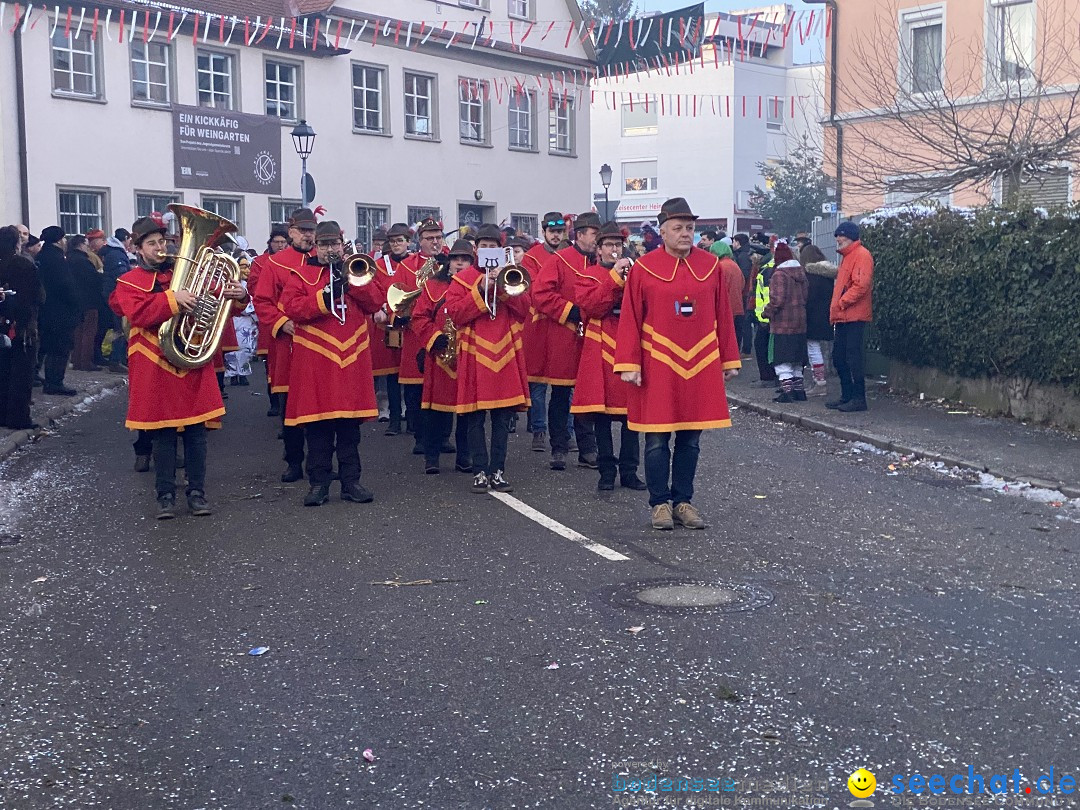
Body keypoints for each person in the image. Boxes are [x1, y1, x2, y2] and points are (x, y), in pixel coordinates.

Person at [614, 197, 741, 531]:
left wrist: (729, 358)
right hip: (657, 362)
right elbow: (630, 318)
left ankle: (683, 500)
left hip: (699, 362)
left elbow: (723, 316)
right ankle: (659, 504)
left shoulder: (711, 266)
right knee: (656, 439)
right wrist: (629, 362)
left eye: (689, 228)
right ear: (663, 230)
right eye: (678, 228)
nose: (685, 234)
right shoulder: (643, 268)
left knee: (691, 439)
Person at [112, 216, 248, 519]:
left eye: (162, 242)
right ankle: (165, 495)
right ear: (138, 249)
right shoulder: (128, 281)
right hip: (153, 362)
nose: (160, 248)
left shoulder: (187, 272)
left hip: (190, 360)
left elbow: (218, 299)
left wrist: (239, 296)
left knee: (197, 433)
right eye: (152, 244)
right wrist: (173, 300)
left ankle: (197, 492)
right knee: (163, 434)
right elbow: (139, 313)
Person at [280, 221, 384, 506]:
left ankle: (351, 482)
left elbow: (376, 302)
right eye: (324, 245)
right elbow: (292, 308)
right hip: (316, 361)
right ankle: (318, 484)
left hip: (350, 358)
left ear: (342, 244)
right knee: (318, 429)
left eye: (334, 244)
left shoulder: (355, 270)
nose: (330, 249)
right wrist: (325, 296)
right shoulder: (301, 274)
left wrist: (350, 282)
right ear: (317, 247)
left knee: (350, 430)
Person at [444, 224, 530, 494]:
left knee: (503, 418)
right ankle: (480, 470)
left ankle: (499, 470)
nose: (488, 251)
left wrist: (501, 286)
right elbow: (456, 314)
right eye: (484, 246)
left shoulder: (510, 275)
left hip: (504, 352)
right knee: (475, 418)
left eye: (493, 246)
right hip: (474, 352)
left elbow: (524, 310)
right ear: (476, 249)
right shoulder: (461, 280)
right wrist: (481, 288)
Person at [571, 222, 646, 492]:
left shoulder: (636, 273)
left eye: (618, 245)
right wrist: (614, 278)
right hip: (600, 344)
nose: (614, 250)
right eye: (609, 245)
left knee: (631, 416)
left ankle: (629, 471)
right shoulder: (588, 275)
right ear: (599, 249)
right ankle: (606, 471)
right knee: (601, 417)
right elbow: (591, 307)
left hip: (629, 342)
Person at [532, 211, 601, 471]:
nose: (598, 240)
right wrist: (568, 311)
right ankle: (558, 447)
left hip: (594, 337)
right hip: (565, 335)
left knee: (589, 395)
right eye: (594, 234)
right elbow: (540, 293)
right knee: (561, 394)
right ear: (580, 235)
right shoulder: (560, 260)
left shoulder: (602, 260)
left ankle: (588, 449)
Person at [254, 208, 314, 482]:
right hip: (287, 344)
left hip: (318, 344)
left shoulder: (322, 259)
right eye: (303, 231)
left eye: (311, 230)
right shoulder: (275, 263)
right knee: (289, 405)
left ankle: (319, 461)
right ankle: (293, 461)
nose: (308, 235)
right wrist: (280, 323)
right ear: (291, 233)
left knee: (318, 406)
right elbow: (262, 301)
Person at [411, 238, 472, 475]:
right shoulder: (432, 286)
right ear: (448, 262)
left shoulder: (478, 286)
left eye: (465, 259)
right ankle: (431, 457)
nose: (459, 263)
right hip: (439, 356)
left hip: (467, 354)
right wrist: (433, 337)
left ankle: (464, 456)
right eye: (456, 259)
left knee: (467, 413)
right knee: (434, 412)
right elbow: (419, 317)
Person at [397, 218, 446, 455]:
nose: (435, 242)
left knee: (445, 384)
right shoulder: (407, 265)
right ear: (420, 240)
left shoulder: (451, 261)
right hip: (416, 333)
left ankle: (443, 437)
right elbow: (396, 296)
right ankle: (420, 436)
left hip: (444, 332)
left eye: (438, 237)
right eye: (429, 238)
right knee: (416, 390)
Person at [521, 212, 567, 452]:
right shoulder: (531, 257)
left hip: (563, 323)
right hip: (539, 323)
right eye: (552, 231)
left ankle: (567, 433)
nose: (556, 235)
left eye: (559, 231)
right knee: (538, 383)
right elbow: (536, 288)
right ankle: (539, 430)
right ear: (544, 232)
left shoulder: (570, 254)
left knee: (565, 382)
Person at [371, 222, 414, 436]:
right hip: (390, 323)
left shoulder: (416, 263)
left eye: (400, 241)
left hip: (413, 324)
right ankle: (395, 420)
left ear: (408, 242)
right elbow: (376, 291)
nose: (396, 245)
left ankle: (413, 420)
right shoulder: (379, 265)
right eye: (392, 241)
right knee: (393, 374)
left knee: (414, 374)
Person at [829, 221, 874, 412]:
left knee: (851, 357)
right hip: (844, 315)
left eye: (842, 236)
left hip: (853, 315)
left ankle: (858, 398)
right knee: (840, 356)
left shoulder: (861, 255)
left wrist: (842, 302)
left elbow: (861, 285)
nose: (838, 239)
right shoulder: (848, 256)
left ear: (851, 237)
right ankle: (848, 396)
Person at [0, 225, 42, 429]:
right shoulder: (22, 265)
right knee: (21, 373)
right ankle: (18, 417)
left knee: (3, 372)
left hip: (3, 324)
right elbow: (36, 296)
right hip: (22, 326)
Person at [247, 227, 288, 414]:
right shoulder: (259, 262)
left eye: (283, 242)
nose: (280, 245)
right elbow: (254, 287)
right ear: (270, 243)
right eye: (277, 242)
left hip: (289, 312)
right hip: (271, 316)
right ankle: (274, 401)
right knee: (270, 362)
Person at [762, 242, 808, 403]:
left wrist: (766, 313)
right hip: (800, 321)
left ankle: (787, 392)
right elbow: (806, 296)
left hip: (782, 323)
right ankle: (799, 391)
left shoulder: (779, 274)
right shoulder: (801, 273)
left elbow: (777, 300)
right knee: (796, 359)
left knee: (781, 360)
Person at [37, 227, 80, 396]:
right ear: (59, 240)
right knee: (60, 347)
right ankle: (55, 382)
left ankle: (50, 380)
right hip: (60, 311)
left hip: (47, 309)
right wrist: (76, 303)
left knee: (50, 346)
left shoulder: (42, 256)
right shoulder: (56, 259)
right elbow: (66, 286)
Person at [799, 241, 836, 396]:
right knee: (823, 348)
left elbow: (808, 299)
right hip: (825, 316)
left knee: (813, 349)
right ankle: (820, 379)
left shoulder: (809, 276)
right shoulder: (828, 275)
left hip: (812, 317)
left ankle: (819, 381)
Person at [98, 228, 133, 372]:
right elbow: (121, 275)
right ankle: (116, 359)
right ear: (125, 238)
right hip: (117, 294)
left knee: (119, 327)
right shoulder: (117, 254)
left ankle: (117, 358)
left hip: (112, 293)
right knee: (120, 328)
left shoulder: (113, 252)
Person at [67, 234, 103, 371]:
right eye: (86, 244)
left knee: (78, 331)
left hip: (76, 301)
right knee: (89, 331)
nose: (87, 247)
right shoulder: (83, 260)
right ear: (81, 245)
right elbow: (93, 279)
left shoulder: (70, 258)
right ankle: (86, 362)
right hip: (89, 300)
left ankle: (77, 360)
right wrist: (101, 276)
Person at [225, 253, 257, 386]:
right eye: (242, 266)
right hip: (233, 319)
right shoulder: (230, 283)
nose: (246, 270)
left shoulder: (252, 284)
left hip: (246, 320)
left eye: (248, 266)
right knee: (232, 350)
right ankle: (232, 374)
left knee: (245, 348)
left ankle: (243, 374)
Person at [710, 240, 746, 347]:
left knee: (725, 341)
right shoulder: (734, 265)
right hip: (738, 307)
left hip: (725, 309)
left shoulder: (719, 267)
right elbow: (743, 284)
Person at [750, 249, 778, 387]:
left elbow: (768, 295)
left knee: (761, 346)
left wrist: (765, 316)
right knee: (765, 347)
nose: (751, 258)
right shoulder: (766, 268)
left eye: (752, 255)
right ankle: (769, 377)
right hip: (765, 317)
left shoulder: (767, 270)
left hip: (766, 319)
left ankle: (767, 378)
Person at [731, 233, 754, 355]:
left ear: (738, 242)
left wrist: (740, 287)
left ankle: (746, 349)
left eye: (734, 242)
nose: (733, 244)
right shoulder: (744, 254)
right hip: (745, 292)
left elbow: (744, 275)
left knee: (744, 322)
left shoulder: (743, 256)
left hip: (744, 293)